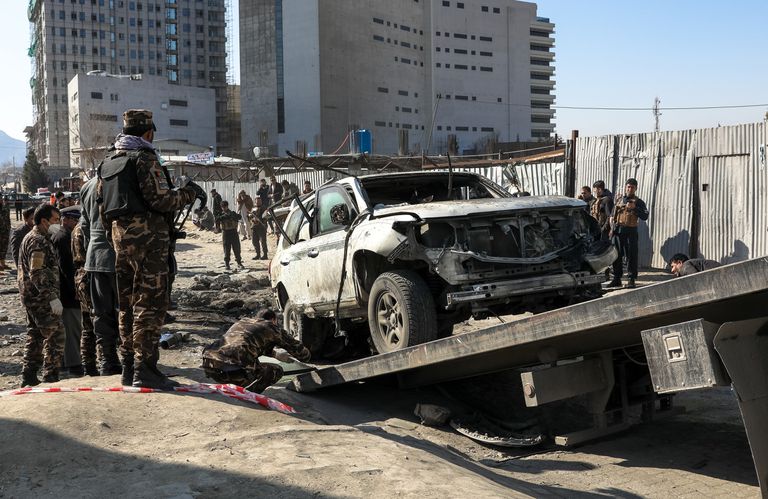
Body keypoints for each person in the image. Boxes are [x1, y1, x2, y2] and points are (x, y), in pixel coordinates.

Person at [99, 109, 202, 389]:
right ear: (148, 132)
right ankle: (145, 369)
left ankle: (128, 366)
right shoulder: (144, 159)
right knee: (150, 302)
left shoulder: (108, 161)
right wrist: (190, 193)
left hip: (121, 241)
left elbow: (101, 209)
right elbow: (161, 200)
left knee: (127, 304)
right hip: (149, 243)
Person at [201, 309, 311, 393]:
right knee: (276, 371)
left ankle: (236, 385)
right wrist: (309, 357)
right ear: (273, 320)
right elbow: (299, 351)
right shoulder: (271, 326)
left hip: (211, 365)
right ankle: (249, 394)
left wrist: (276, 355)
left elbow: (248, 344)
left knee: (248, 362)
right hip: (233, 371)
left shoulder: (242, 322)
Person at [18, 204, 65, 386]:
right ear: (44, 221)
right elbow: (36, 272)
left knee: (36, 334)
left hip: (33, 296)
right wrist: (51, 297)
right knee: (57, 334)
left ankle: (28, 376)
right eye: (55, 220)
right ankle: (50, 376)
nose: (58, 224)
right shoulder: (38, 241)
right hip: (39, 297)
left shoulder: (37, 238)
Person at [80, 177, 122, 377]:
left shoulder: (87, 185)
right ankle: (131, 362)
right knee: (127, 311)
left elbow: (85, 226)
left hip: (95, 257)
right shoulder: (122, 179)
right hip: (121, 257)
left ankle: (107, 360)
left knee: (101, 312)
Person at [50, 205, 85, 377]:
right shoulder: (64, 238)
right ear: (68, 219)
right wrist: (77, 291)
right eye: (75, 220)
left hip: (63, 292)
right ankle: (74, 365)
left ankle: (66, 364)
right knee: (72, 329)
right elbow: (67, 269)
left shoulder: (61, 235)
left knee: (68, 329)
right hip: (68, 294)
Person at [608, 178, 649, 289]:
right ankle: (617, 279)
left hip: (631, 231)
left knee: (631, 255)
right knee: (616, 255)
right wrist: (612, 226)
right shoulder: (619, 200)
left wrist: (635, 208)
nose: (629, 189)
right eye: (628, 186)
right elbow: (612, 214)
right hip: (618, 231)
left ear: (635, 188)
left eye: (632, 187)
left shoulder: (638, 202)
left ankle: (631, 279)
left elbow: (645, 216)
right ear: (625, 187)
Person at [71, 220, 98, 376]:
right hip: (90, 276)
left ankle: (89, 366)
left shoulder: (77, 228)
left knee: (88, 326)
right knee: (96, 324)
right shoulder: (87, 227)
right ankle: (96, 364)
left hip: (82, 276)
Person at [215, 200, 245, 271]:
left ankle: (239, 262)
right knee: (226, 248)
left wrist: (233, 216)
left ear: (227, 206)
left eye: (225, 207)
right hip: (226, 232)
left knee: (236, 248)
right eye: (223, 207)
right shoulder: (220, 215)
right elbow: (217, 220)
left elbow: (239, 217)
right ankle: (227, 264)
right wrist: (224, 217)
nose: (224, 208)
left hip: (233, 232)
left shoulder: (232, 213)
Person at [0, 196, 10, 272]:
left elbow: (8, 218)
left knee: (4, 247)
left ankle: (2, 264)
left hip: (5, 230)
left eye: (1, 199)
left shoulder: (5, 208)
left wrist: (9, 227)